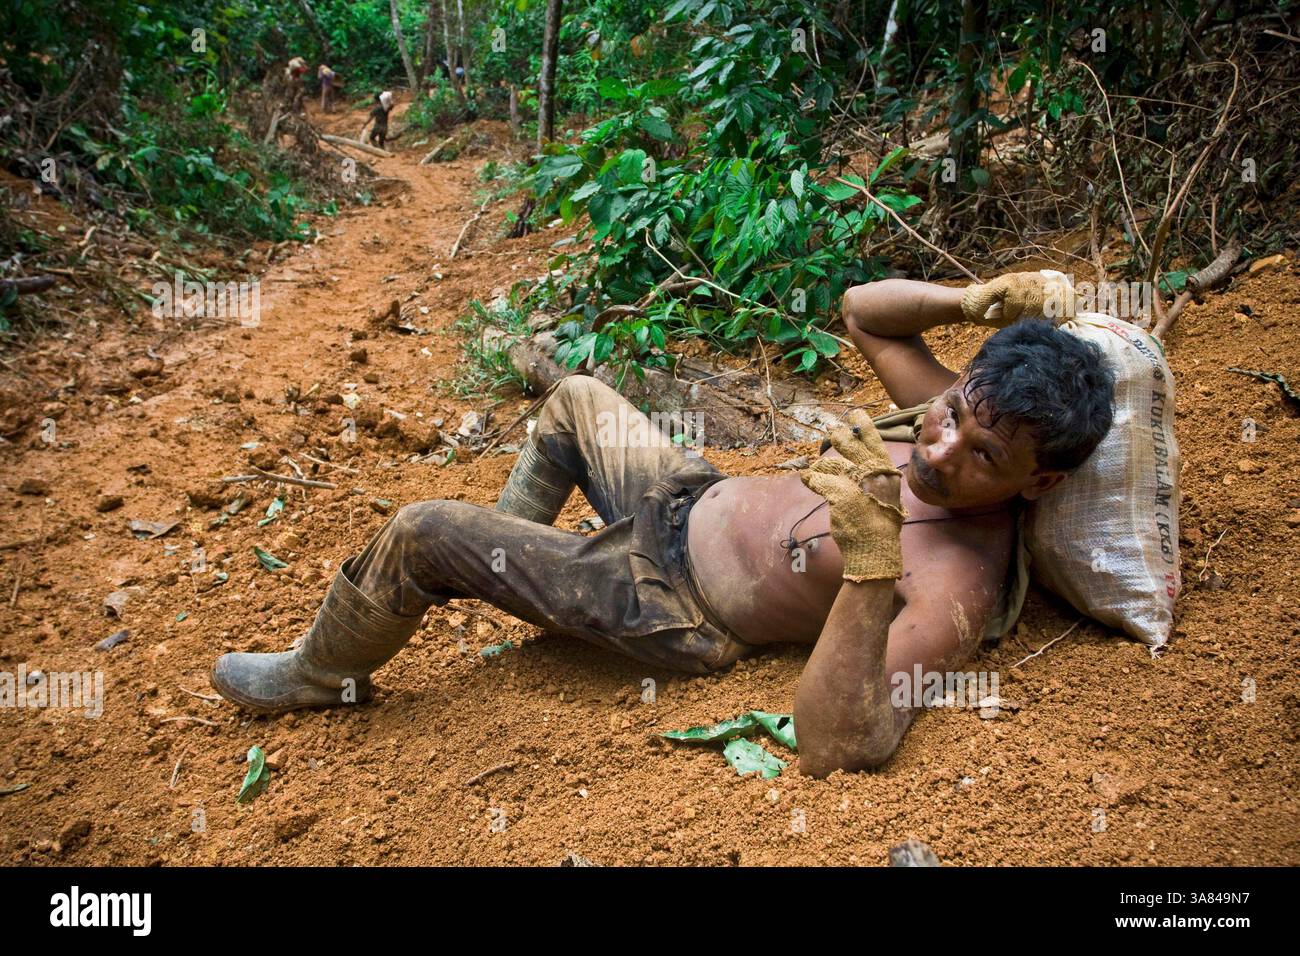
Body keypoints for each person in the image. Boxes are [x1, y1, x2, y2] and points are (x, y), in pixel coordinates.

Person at [210, 271, 1115, 776]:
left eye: (983, 455)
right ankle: (500, 569)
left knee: (420, 531)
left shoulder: (957, 583)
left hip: (670, 600)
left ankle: (319, 674)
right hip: (687, 497)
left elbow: (845, 740)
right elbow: (862, 313)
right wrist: (972, 299)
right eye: (953, 409)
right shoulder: (959, 420)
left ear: (1037, 483)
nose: (943, 448)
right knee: (574, 398)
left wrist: (874, 561)